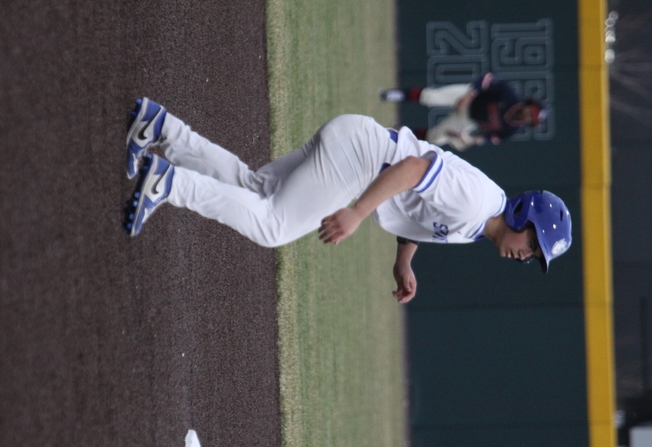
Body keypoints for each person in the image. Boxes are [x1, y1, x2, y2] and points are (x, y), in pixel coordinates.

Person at [123, 97, 571, 303]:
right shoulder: (478, 205)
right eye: (533, 245)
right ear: (524, 217)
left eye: (534, 256)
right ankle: (167, 184)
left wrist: (404, 260)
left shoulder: (480, 222)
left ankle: (160, 129)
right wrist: (357, 211)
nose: (526, 256)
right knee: (272, 225)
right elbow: (413, 170)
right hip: (360, 159)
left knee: (256, 188)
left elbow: (417, 196)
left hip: (358, 147)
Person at [379, 73, 546, 151]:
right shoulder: (509, 95)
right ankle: (394, 95)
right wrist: (468, 96)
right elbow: (487, 79)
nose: (528, 116)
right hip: (469, 97)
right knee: (430, 97)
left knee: (434, 138)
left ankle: (396, 134)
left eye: (531, 119)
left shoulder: (512, 129)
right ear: (528, 104)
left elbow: (491, 138)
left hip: (469, 120)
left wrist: (470, 139)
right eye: (530, 112)